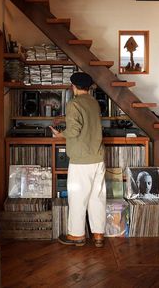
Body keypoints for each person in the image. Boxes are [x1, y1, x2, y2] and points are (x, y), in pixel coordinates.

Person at [49, 72, 106, 248]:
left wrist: (60, 135)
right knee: (97, 198)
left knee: (77, 198)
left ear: (73, 86)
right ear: (88, 87)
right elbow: (86, 122)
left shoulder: (73, 103)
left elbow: (73, 131)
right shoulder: (94, 102)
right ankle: (98, 235)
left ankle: (77, 235)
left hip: (81, 160)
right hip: (98, 157)